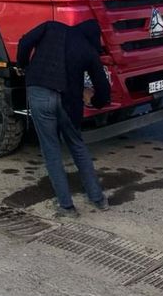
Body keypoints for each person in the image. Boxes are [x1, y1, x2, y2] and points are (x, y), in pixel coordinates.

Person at [17, 20, 111, 218]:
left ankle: (67, 207)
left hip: (40, 91)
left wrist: (23, 65)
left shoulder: (52, 27)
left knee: (51, 150)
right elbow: (104, 90)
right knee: (77, 145)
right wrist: (94, 100)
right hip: (69, 101)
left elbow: (25, 41)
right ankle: (98, 199)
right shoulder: (90, 51)